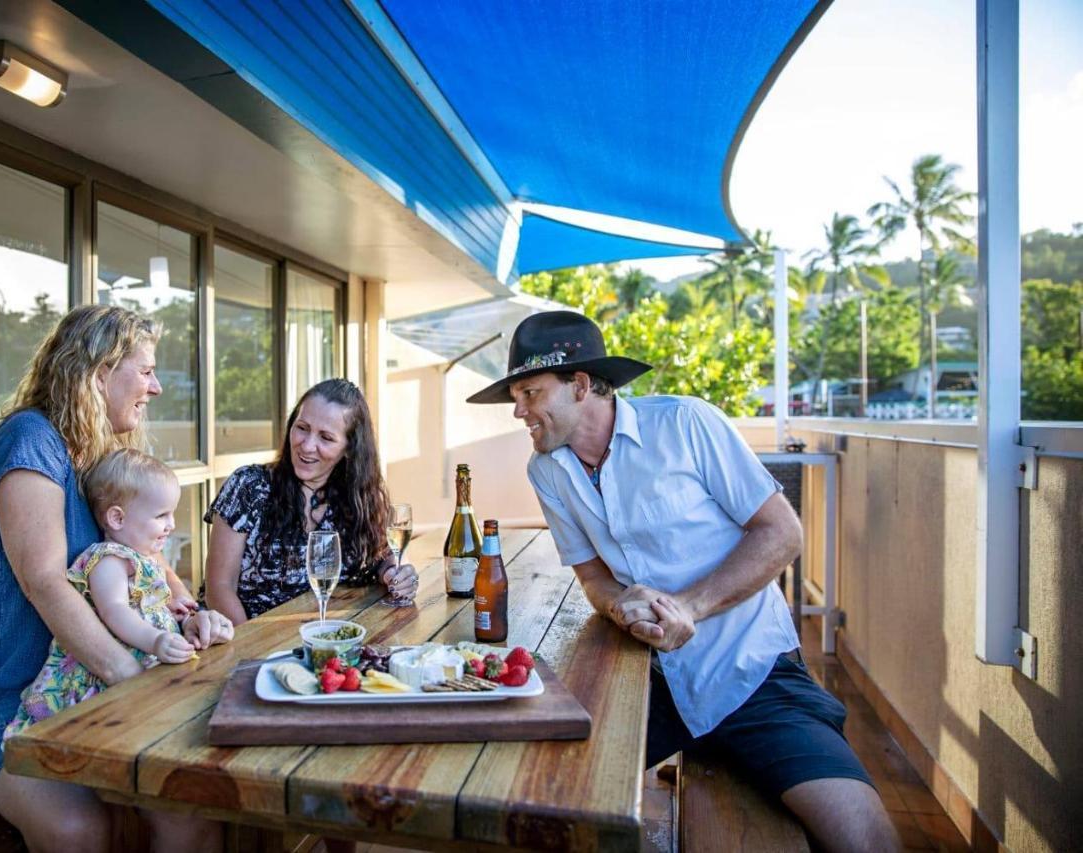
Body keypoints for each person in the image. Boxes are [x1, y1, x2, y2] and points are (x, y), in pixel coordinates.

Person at [466, 311, 899, 852]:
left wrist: (688, 608)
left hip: (753, 676)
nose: (518, 410)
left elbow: (782, 533)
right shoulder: (547, 470)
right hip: (645, 683)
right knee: (532, 795)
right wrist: (621, 606)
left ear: (580, 386)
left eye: (529, 392)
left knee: (863, 838)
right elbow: (594, 579)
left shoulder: (686, 424)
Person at [0, 305, 231, 853]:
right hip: (21, 710)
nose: (155, 387)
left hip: (104, 697)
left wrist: (188, 611)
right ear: (100, 370)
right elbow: (43, 580)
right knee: (78, 830)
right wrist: (133, 680)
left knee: (191, 809)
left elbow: (148, 560)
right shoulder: (29, 441)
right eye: (147, 370)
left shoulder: (101, 456)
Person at [4, 448, 232, 739]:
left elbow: (147, 608)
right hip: (99, 684)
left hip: (146, 671)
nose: (171, 524)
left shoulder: (143, 560)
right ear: (117, 518)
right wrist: (157, 639)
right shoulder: (108, 559)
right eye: (161, 515)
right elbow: (115, 611)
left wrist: (180, 618)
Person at [203, 378, 418, 623]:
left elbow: (383, 558)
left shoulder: (358, 496)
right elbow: (218, 588)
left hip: (326, 639)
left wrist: (396, 574)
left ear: (349, 448)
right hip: (247, 642)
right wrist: (251, 651)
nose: (307, 445)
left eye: (326, 437)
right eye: (302, 427)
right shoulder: (249, 486)